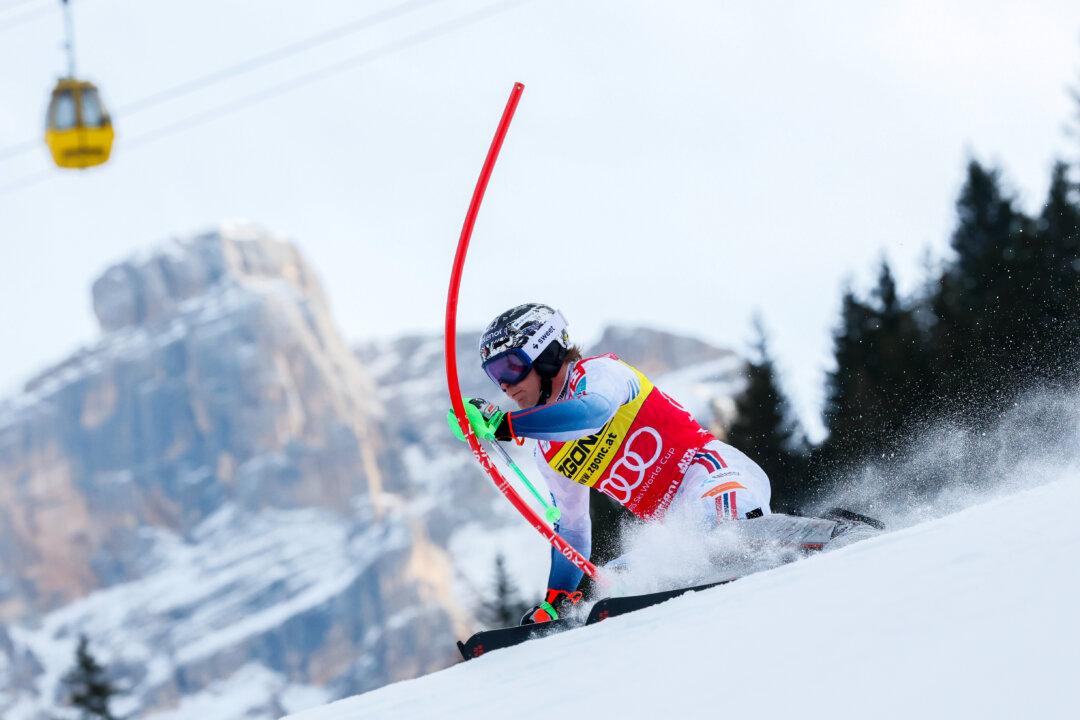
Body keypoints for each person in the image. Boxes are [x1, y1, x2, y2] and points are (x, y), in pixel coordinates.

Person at [450, 303, 866, 625]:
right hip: (676, 526)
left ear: (545, 352)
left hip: (712, 474)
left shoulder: (600, 374)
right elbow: (573, 528)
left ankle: (836, 533)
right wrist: (559, 600)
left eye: (510, 366)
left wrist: (508, 425)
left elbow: (591, 414)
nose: (504, 384)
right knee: (608, 586)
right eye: (494, 374)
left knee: (722, 533)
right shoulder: (548, 451)